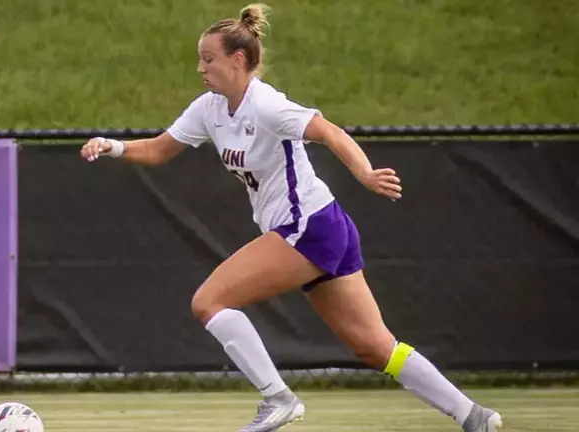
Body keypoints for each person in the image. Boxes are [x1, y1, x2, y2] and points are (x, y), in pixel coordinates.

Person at [80, 4, 504, 432]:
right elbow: (157, 150)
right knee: (375, 349)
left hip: (309, 227)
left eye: (208, 58)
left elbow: (329, 131)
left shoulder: (266, 105)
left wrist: (364, 173)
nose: (200, 67)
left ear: (238, 60)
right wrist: (110, 145)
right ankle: (475, 417)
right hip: (319, 229)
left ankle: (277, 398)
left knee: (208, 301)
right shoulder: (210, 108)